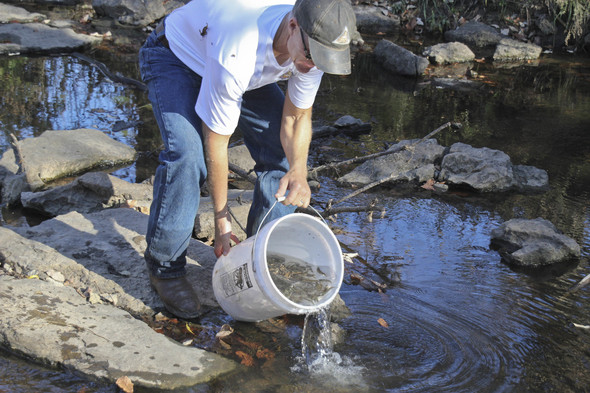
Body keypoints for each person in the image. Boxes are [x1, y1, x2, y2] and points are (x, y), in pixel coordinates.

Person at [138, 0, 356, 319]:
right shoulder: (239, 49)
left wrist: (298, 170)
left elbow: (296, 118)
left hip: (238, 69)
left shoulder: (315, 40)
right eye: (311, 57)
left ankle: (263, 259)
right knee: (188, 155)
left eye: (324, 60)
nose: (313, 66)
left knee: (282, 155)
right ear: (293, 27)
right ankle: (164, 267)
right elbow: (217, 141)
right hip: (177, 57)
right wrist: (222, 218)